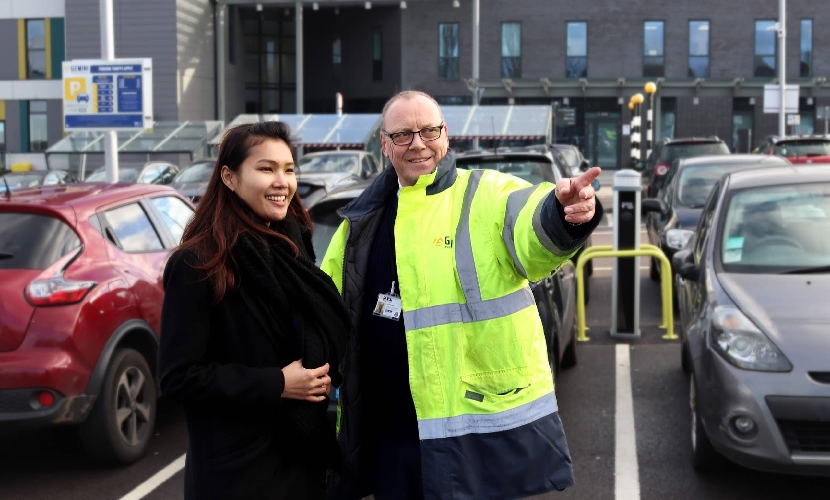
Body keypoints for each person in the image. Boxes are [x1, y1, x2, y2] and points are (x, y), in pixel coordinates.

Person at [320, 90, 603, 499]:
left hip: (471, 436)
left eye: (428, 130)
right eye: (403, 135)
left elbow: (530, 227)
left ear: (445, 134)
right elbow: (322, 306)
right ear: (385, 144)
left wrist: (562, 215)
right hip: (388, 437)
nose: (418, 143)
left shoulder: (486, 195)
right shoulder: (358, 222)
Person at [158, 121, 350, 500]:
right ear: (229, 178)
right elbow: (178, 376)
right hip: (237, 474)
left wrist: (318, 371)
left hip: (300, 461)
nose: (282, 182)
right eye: (266, 169)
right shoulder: (199, 262)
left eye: (288, 169)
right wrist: (278, 384)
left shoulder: (293, 248)